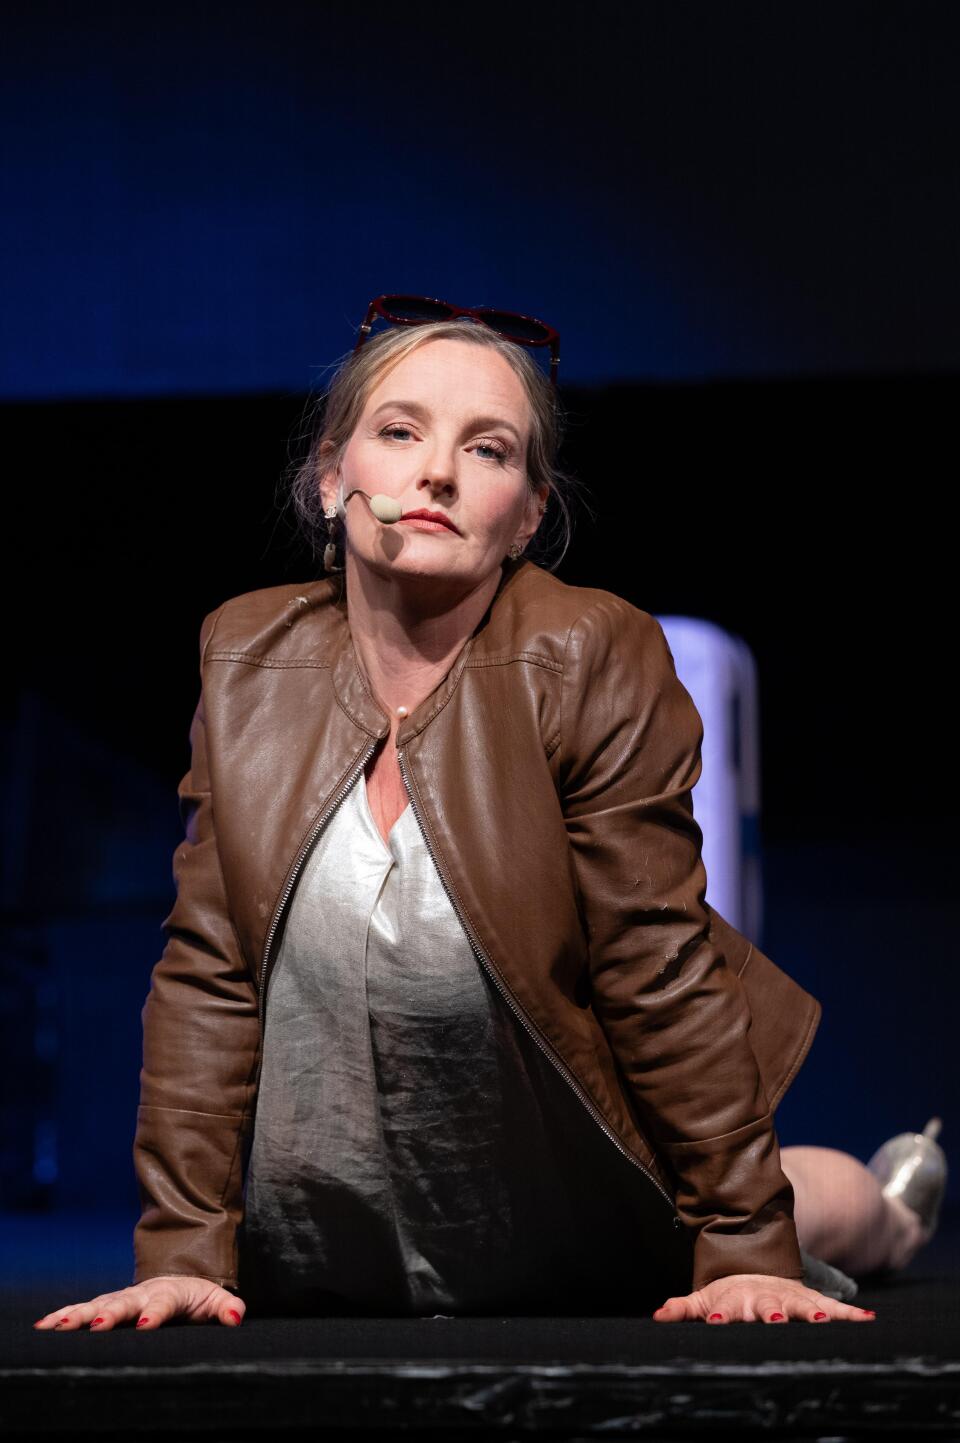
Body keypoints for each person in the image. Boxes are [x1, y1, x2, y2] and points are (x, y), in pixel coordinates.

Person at [33, 298, 943, 1334]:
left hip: (574, 1202)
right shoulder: (246, 661)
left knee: (819, 1203)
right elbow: (209, 972)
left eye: (488, 449)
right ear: (331, 477)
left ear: (527, 515)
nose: (437, 473)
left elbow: (656, 964)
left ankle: (895, 1205)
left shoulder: (587, 652)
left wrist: (743, 1238)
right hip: (326, 1226)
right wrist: (182, 1250)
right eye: (400, 431)